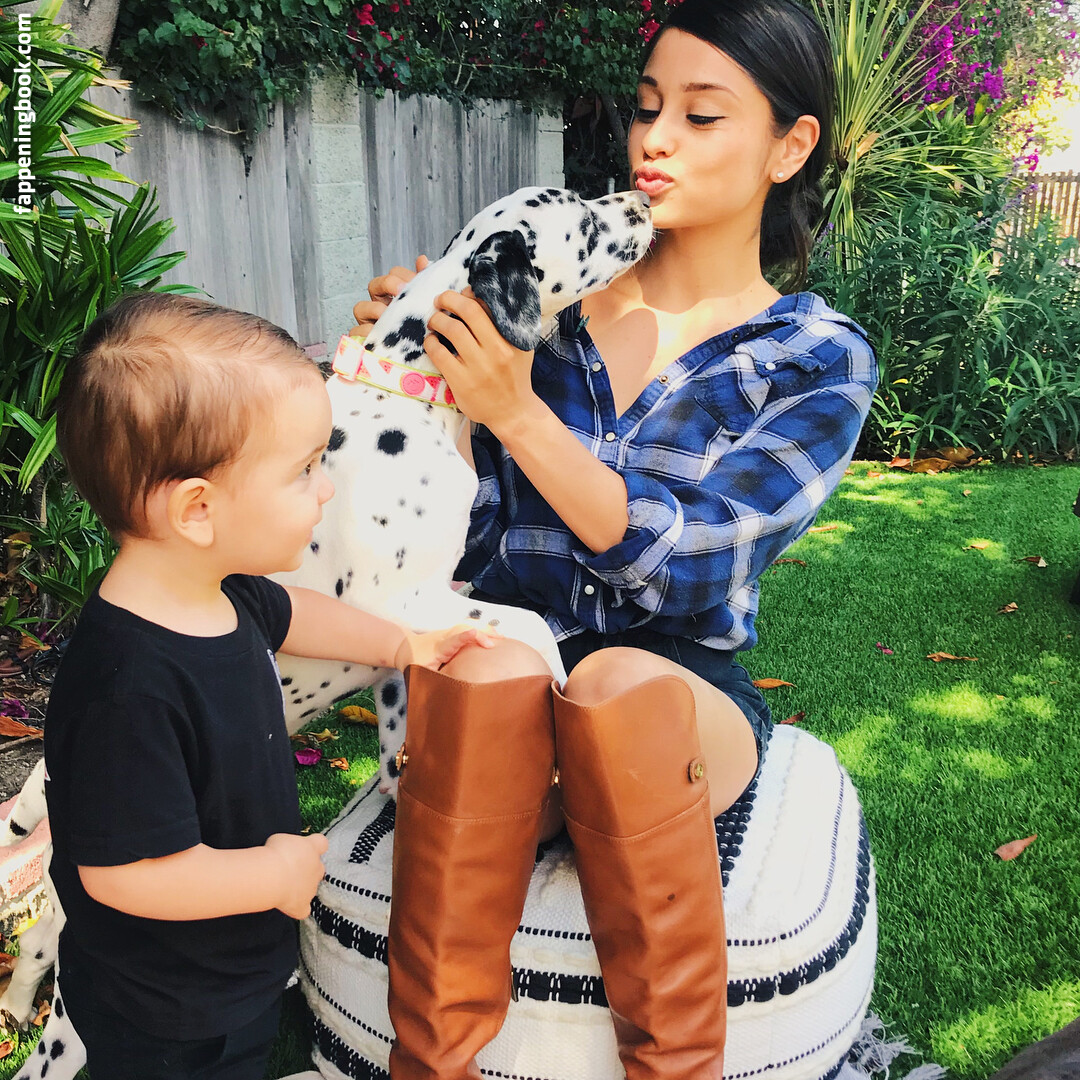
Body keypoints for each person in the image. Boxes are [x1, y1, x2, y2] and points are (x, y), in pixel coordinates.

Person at [353, 0, 878, 1075]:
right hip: (505, 659)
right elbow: (459, 534)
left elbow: (694, 567)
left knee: (615, 689)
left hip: (676, 689)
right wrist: (421, 377)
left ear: (790, 146)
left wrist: (517, 414)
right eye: (646, 109)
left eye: (701, 115)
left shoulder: (815, 356)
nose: (654, 141)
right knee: (491, 681)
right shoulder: (541, 304)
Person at [45, 292, 498, 1080]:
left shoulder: (220, 590)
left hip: (232, 969)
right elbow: (123, 873)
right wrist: (271, 874)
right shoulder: (128, 688)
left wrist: (401, 644)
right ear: (197, 510)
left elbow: (294, 615)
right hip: (167, 1011)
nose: (326, 490)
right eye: (304, 470)